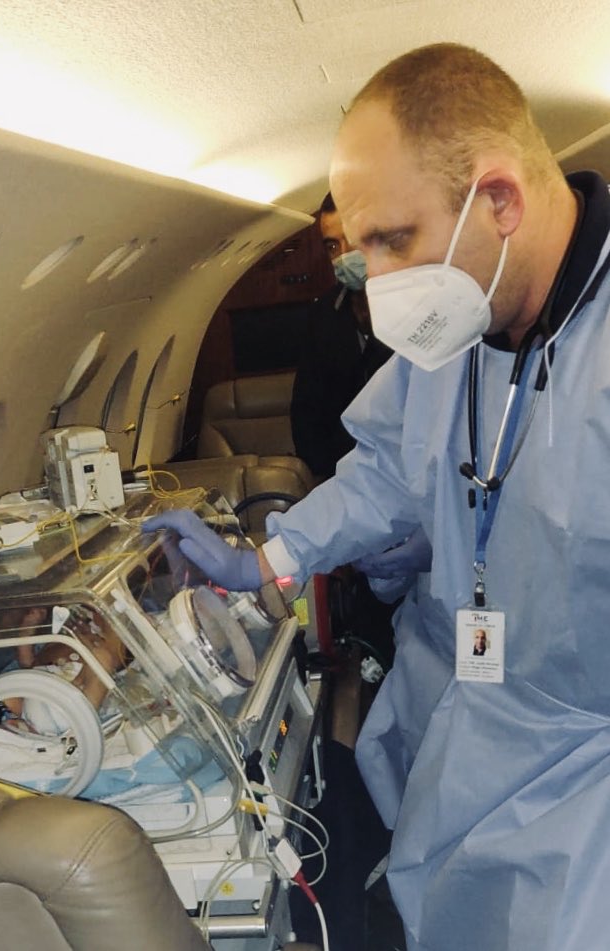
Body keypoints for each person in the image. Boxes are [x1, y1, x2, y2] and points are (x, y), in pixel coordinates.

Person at [144, 42, 610, 951]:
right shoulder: (464, 316)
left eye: (391, 240)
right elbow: (389, 466)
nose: (374, 280)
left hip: (580, 770)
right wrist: (268, 557)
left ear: (501, 201)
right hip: (462, 711)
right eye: (359, 250)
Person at [290, 193, 392, 481]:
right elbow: (306, 411)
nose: (344, 255)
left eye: (352, 239)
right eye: (333, 246)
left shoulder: (416, 306)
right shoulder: (323, 313)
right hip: (345, 474)